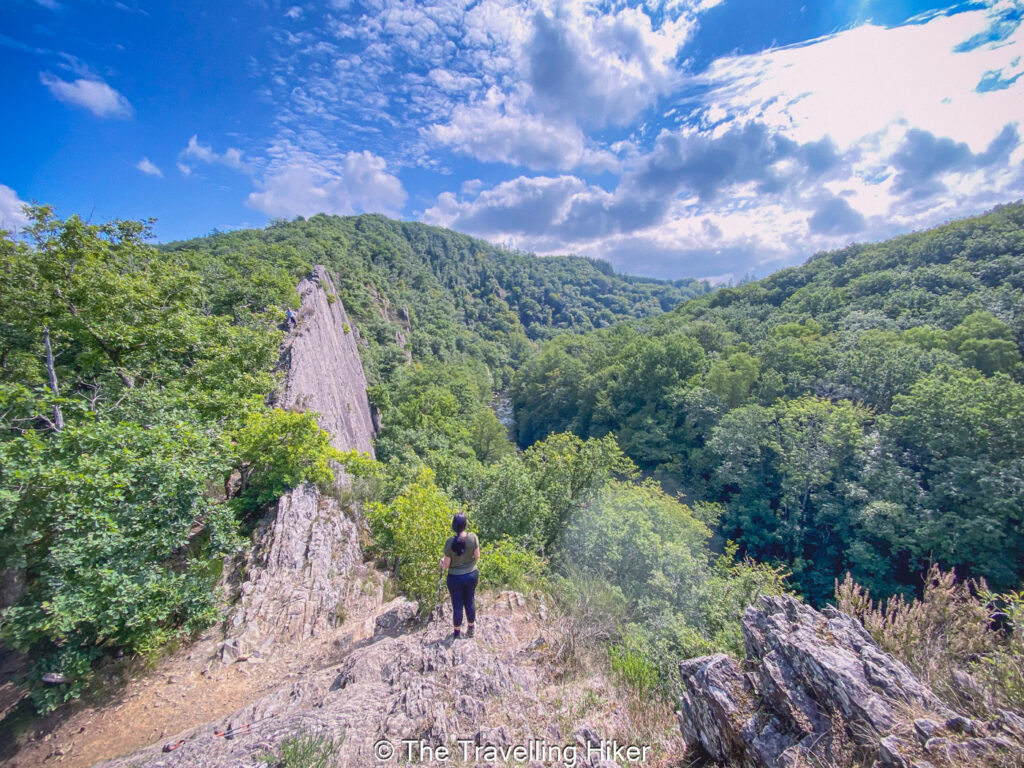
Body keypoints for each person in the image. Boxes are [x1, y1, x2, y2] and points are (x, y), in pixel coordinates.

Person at [440, 513, 479, 639]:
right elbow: (477, 556)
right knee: (470, 601)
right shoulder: (473, 538)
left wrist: (441, 565)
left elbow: (446, 565)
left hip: (455, 578)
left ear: (453, 526)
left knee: (457, 604)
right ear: (465, 524)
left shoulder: (449, 542)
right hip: (471, 574)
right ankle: (471, 629)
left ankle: (457, 633)